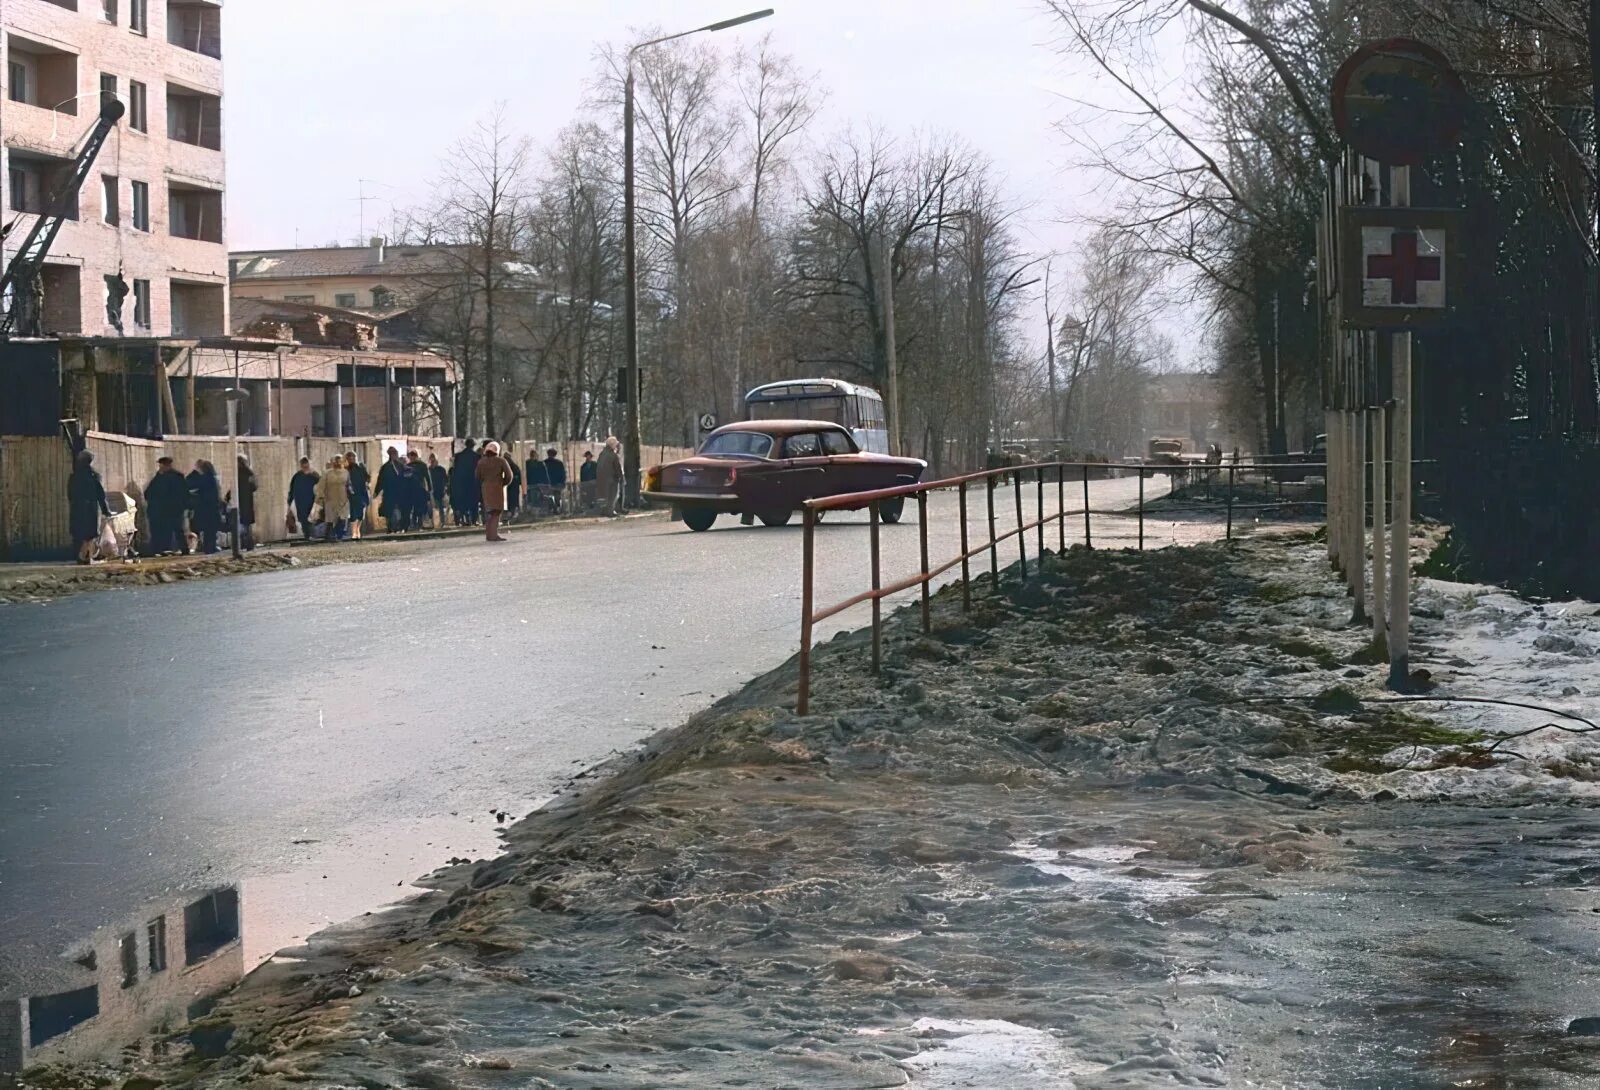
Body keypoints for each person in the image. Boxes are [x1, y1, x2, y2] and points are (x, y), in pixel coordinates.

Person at [68, 449, 112, 564]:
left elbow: (70, 494)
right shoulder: (94, 476)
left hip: (77, 507)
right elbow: (100, 494)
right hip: (90, 507)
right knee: (90, 534)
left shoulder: (74, 476)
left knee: (80, 532)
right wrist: (105, 510)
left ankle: (84, 556)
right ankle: (84, 556)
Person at [144, 456, 190, 555]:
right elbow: (185, 493)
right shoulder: (178, 477)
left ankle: (160, 549)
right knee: (178, 530)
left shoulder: (160, 478)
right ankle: (184, 549)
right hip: (175, 509)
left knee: (163, 530)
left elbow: (149, 493)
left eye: (161, 465)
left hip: (164, 509)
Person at [475, 440, 513, 542]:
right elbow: (509, 475)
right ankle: (493, 535)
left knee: (489, 512)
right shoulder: (501, 461)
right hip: (497, 488)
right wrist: (503, 483)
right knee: (496, 511)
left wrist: (485, 482)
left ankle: (489, 534)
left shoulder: (481, 462)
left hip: (485, 488)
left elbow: (477, 475)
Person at [190, 459, 224, 554]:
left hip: (206, 507)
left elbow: (200, 491)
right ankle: (210, 547)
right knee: (211, 530)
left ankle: (208, 547)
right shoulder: (213, 478)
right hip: (213, 507)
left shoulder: (204, 479)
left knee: (208, 529)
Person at [317, 455, 351, 540]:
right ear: (333, 462)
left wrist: (350, 490)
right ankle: (330, 535)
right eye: (336, 461)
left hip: (343, 498)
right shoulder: (327, 473)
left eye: (339, 461)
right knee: (330, 518)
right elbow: (321, 485)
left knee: (342, 517)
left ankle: (340, 535)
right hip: (330, 498)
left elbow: (348, 484)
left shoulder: (346, 472)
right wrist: (320, 495)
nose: (338, 462)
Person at [288, 456, 321, 540]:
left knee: (312, 518)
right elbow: (292, 489)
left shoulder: (315, 476)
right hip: (300, 502)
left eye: (306, 465)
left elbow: (321, 488)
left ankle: (312, 535)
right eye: (303, 465)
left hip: (312, 501)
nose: (305, 467)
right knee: (303, 519)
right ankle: (307, 536)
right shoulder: (297, 476)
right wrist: (290, 501)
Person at [451, 440, 481, 525]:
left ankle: (464, 518)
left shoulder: (458, 456)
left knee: (463, 501)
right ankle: (474, 520)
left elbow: (455, 472)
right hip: (473, 483)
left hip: (462, 483)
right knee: (474, 502)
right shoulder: (477, 457)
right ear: (473, 446)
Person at [375, 446, 404, 532]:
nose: (393, 455)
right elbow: (380, 480)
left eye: (394, 453)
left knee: (398, 510)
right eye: (392, 454)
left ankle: (397, 526)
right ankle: (390, 527)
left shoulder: (400, 466)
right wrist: (377, 491)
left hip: (399, 492)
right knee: (389, 510)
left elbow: (404, 478)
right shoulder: (385, 467)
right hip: (388, 492)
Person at [596, 435, 623, 516]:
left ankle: (604, 511)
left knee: (604, 496)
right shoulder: (613, 455)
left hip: (601, 479)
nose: (616, 446)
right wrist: (621, 477)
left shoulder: (602, 454)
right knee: (612, 495)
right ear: (613, 445)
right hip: (611, 479)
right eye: (615, 444)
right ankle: (610, 512)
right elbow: (617, 468)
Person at [236, 455, 258, 550]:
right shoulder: (250, 473)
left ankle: (243, 543)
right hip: (248, 501)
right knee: (247, 524)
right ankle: (249, 544)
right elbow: (254, 487)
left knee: (241, 523)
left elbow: (235, 487)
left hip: (240, 500)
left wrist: (228, 497)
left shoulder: (238, 474)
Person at [345, 451, 370, 536]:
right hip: (352, 492)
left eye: (353, 457)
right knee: (353, 512)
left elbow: (367, 476)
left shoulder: (361, 466)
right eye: (349, 458)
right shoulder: (346, 469)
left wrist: (367, 483)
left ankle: (358, 528)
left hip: (362, 491)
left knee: (361, 512)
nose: (352, 459)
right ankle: (353, 531)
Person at [404, 451, 431, 530]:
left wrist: (429, 488)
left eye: (413, 456)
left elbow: (427, 477)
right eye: (411, 456)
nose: (412, 458)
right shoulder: (408, 466)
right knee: (414, 507)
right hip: (412, 490)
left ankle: (418, 523)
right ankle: (415, 523)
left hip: (418, 489)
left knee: (419, 507)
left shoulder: (421, 465)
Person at [427, 453, 449, 527]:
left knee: (440, 507)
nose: (432, 462)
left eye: (434, 460)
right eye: (431, 460)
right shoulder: (428, 470)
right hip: (431, 491)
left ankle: (442, 522)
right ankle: (433, 522)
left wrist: (445, 489)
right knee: (431, 507)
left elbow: (446, 480)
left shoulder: (441, 469)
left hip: (439, 491)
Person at [544, 447, 567, 514]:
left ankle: (551, 509)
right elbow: (563, 473)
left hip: (548, 483)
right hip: (557, 483)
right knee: (557, 497)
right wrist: (562, 482)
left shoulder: (545, 463)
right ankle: (556, 508)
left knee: (549, 497)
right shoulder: (559, 463)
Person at [505, 451, 523, 521]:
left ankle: (514, 511)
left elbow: (517, 475)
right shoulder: (510, 465)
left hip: (513, 485)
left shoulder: (513, 466)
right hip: (510, 485)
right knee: (511, 499)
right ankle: (511, 512)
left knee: (514, 499)